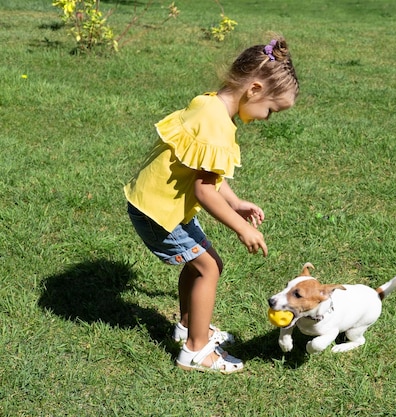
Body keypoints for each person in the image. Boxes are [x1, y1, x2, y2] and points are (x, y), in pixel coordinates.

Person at [124, 37, 299, 373]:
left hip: (165, 203)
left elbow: (206, 171)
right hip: (159, 211)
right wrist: (241, 227)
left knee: (204, 264)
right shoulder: (217, 125)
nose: (267, 118)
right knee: (208, 268)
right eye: (271, 110)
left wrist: (235, 202)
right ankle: (195, 351)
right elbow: (205, 191)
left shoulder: (210, 105)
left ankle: (190, 328)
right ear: (255, 89)